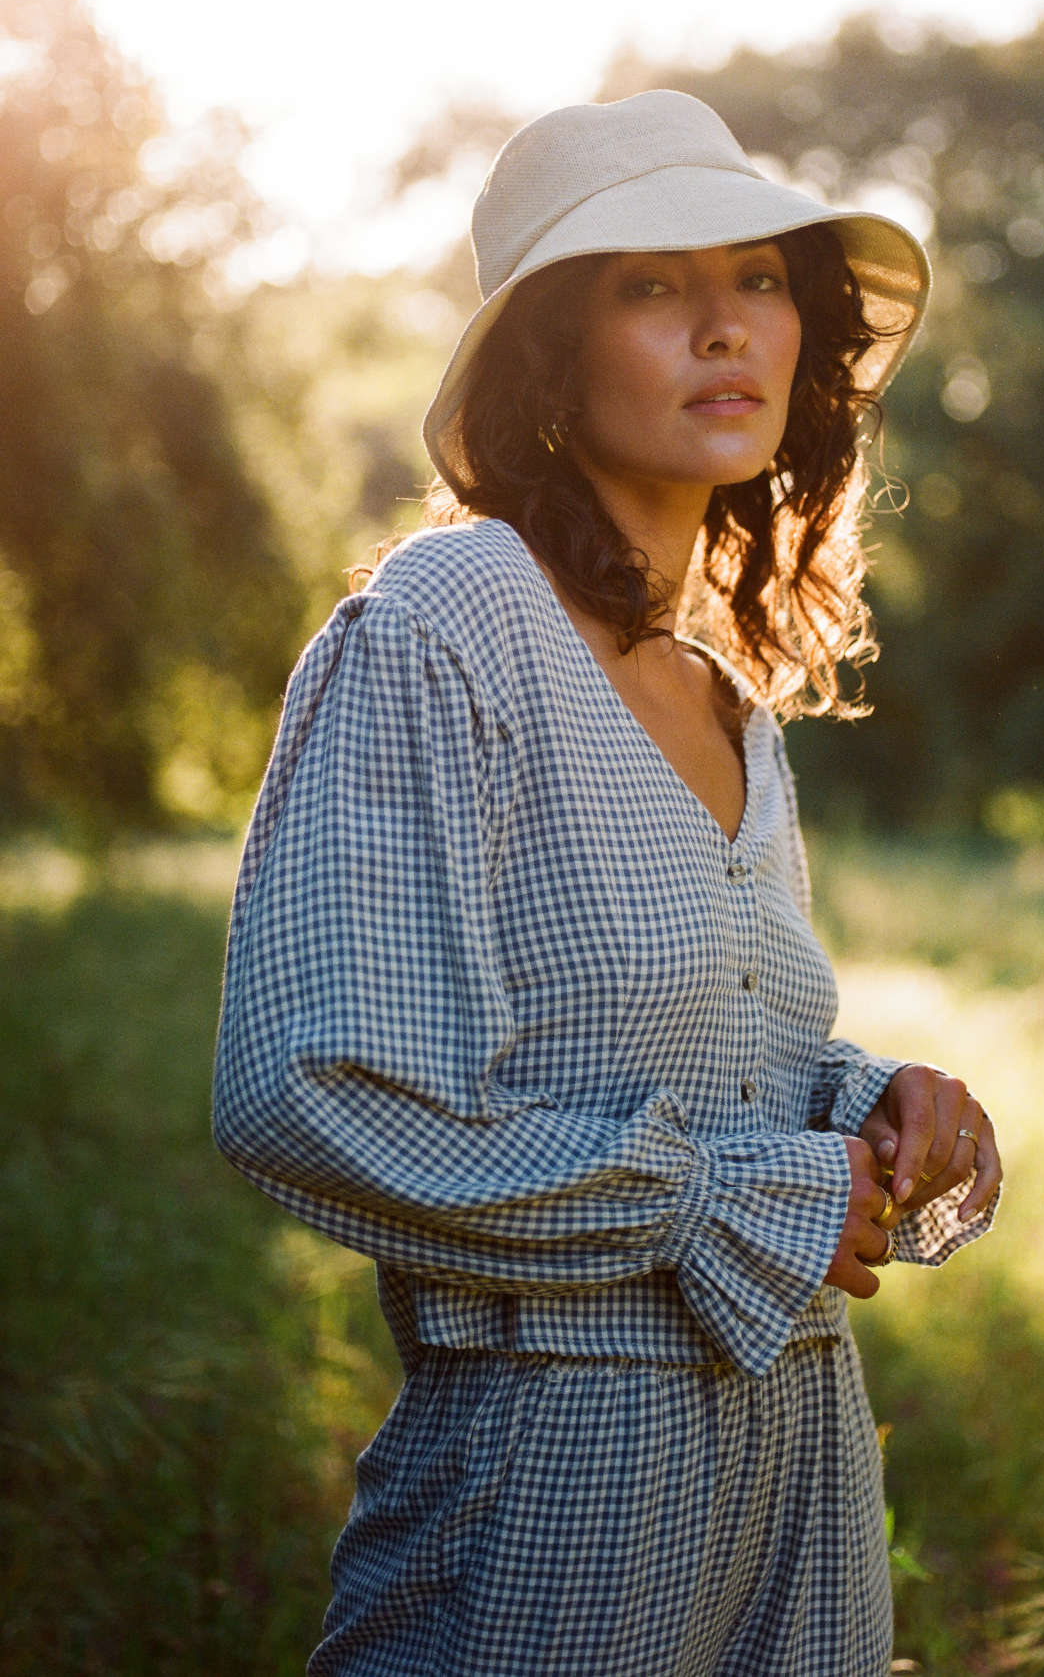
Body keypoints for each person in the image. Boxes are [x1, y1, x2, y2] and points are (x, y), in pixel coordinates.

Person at [213, 89, 1002, 1677]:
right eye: (651, 286)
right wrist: (727, 1194)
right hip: (557, 1473)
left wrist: (868, 1105)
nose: (725, 326)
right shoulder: (446, 619)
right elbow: (307, 1093)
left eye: (759, 279)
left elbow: (697, 1066)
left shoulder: (723, 699)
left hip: (798, 1454)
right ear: (547, 361)